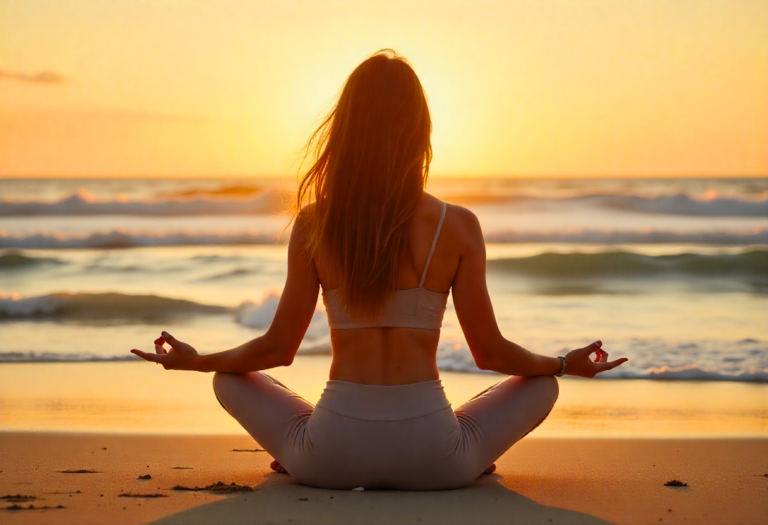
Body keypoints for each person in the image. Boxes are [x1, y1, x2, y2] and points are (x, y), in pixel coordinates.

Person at [131, 49, 628, 490]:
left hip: (328, 459)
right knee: (542, 382)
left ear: (346, 128)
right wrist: (566, 363)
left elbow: (277, 350)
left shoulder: (315, 222)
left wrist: (195, 361)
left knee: (228, 377)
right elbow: (490, 353)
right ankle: (474, 458)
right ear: (421, 132)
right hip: (440, 462)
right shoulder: (457, 225)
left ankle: (294, 454)